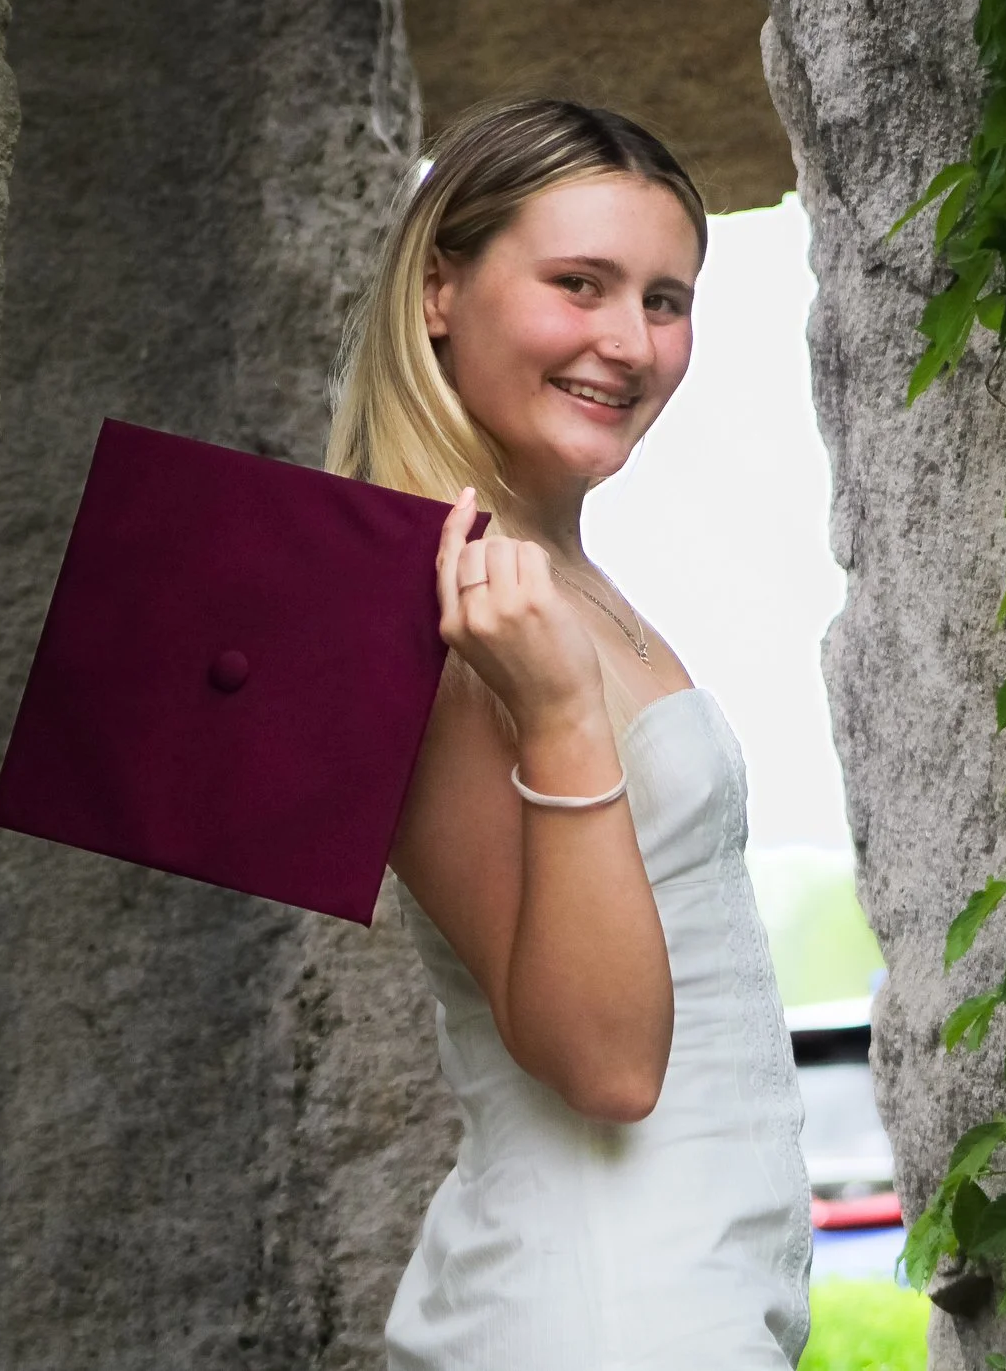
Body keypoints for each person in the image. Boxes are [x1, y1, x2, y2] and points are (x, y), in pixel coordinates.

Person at [328, 98, 812, 1369]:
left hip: (677, 1290)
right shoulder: (432, 596)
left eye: (665, 298)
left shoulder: (544, 570)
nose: (628, 342)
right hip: (610, 1312)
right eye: (578, 283)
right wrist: (553, 712)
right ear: (440, 289)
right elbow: (601, 1064)